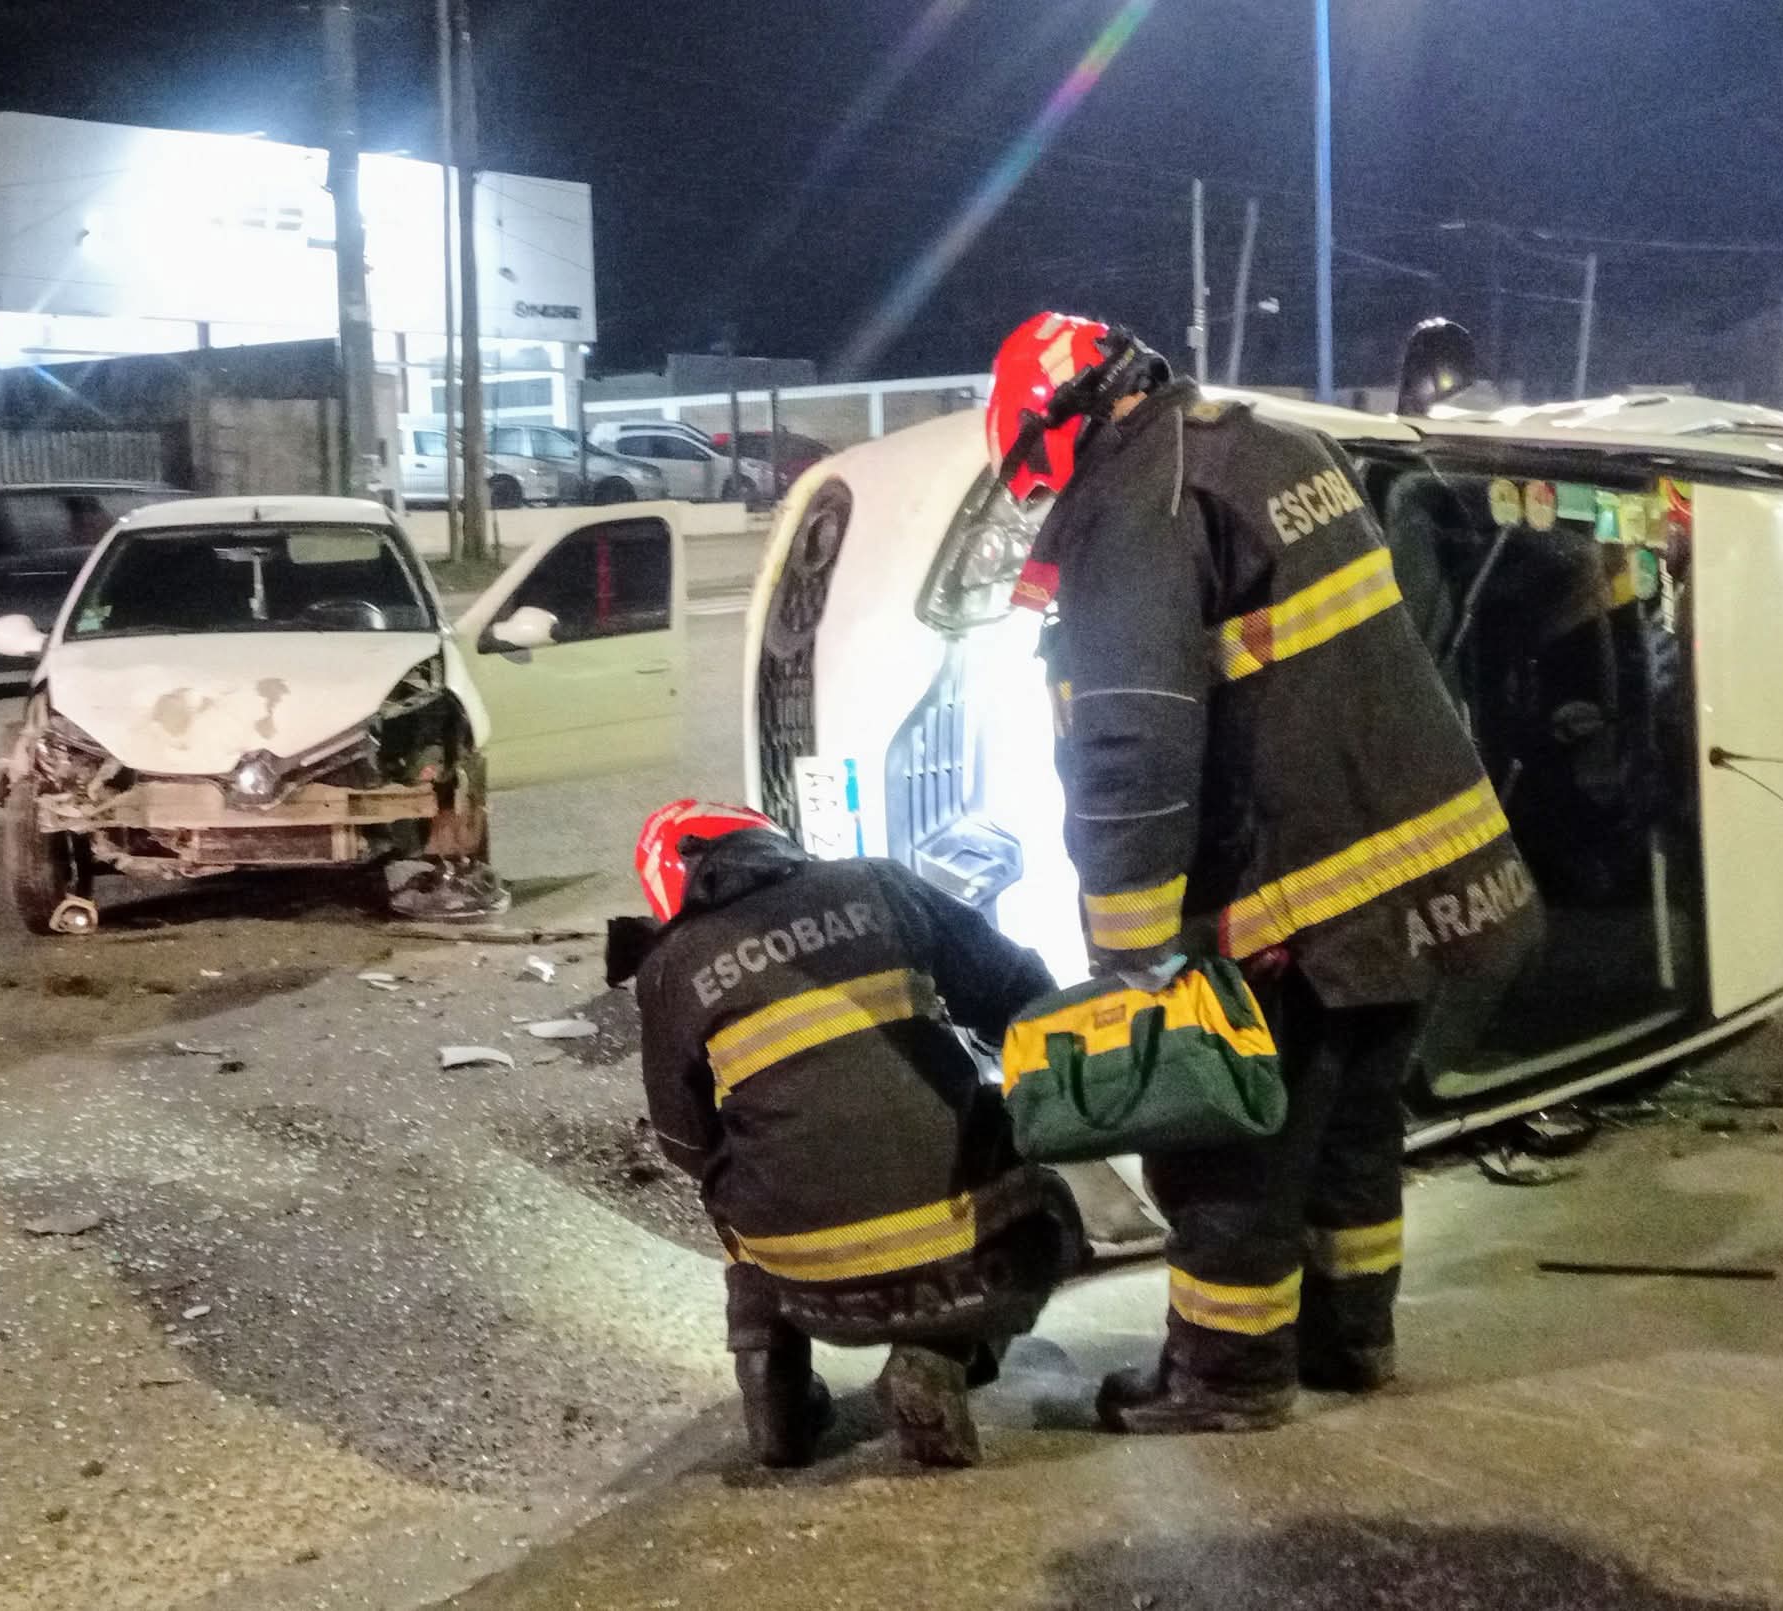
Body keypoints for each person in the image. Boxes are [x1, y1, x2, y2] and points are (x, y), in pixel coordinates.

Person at [986, 313, 1543, 1435]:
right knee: (1350, 1130)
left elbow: (1130, 741)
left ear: (1052, 430)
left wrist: (1132, 955)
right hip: (1415, 870)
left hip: (1295, 891)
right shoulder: (1277, 446)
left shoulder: (1136, 504)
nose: (1044, 500)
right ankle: (1352, 1342)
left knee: (1227, 1144)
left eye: (1031, 477)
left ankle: (1226, 1380)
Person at [606, 800, 1082, 1469]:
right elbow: (1021, 991)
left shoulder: (669, 964)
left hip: (804, 1287)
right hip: (966, 1260)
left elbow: (683, 1143)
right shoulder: (878, 883)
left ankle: (776, 1391)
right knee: (1053, 1211)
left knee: (734, 1181)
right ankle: (943, 1349)